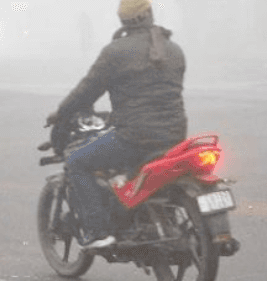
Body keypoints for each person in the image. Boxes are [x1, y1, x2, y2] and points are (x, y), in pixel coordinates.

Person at [49, 0, 187, 250]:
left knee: (76, 160)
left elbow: (86, 91)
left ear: (123, 20)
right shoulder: (174, 49)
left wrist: (61, 113)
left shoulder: (115, 52)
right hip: (175, 137)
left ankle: (98, 231)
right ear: (149, 14)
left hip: (134, 138)